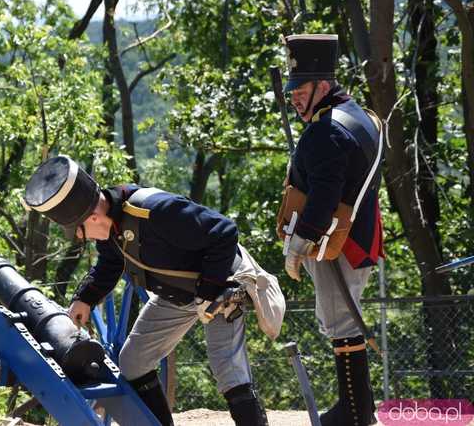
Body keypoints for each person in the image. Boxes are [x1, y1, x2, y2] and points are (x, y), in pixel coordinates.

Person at [22, 155, 286, 426]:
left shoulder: (155, 211)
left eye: (78, 231)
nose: (80, 238)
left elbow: (224, 232)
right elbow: (111, 262)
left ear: (93, 216)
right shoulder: (109, 225)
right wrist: (85, 299)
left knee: (228, 371)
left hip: (222, 282)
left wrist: (209, 291)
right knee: (133, 362)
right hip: (178, 292)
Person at [279, 34, 384, 426]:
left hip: (336, 239)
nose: (294, 99)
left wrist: (299, 242)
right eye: (291, 92)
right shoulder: (359, 115)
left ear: (322, 86)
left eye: (301, 90)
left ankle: (354, 412)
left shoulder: (327, 130)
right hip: (357, 233)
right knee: (343, 320)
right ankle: (358, 409)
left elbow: (324, 194)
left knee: (341, 323)